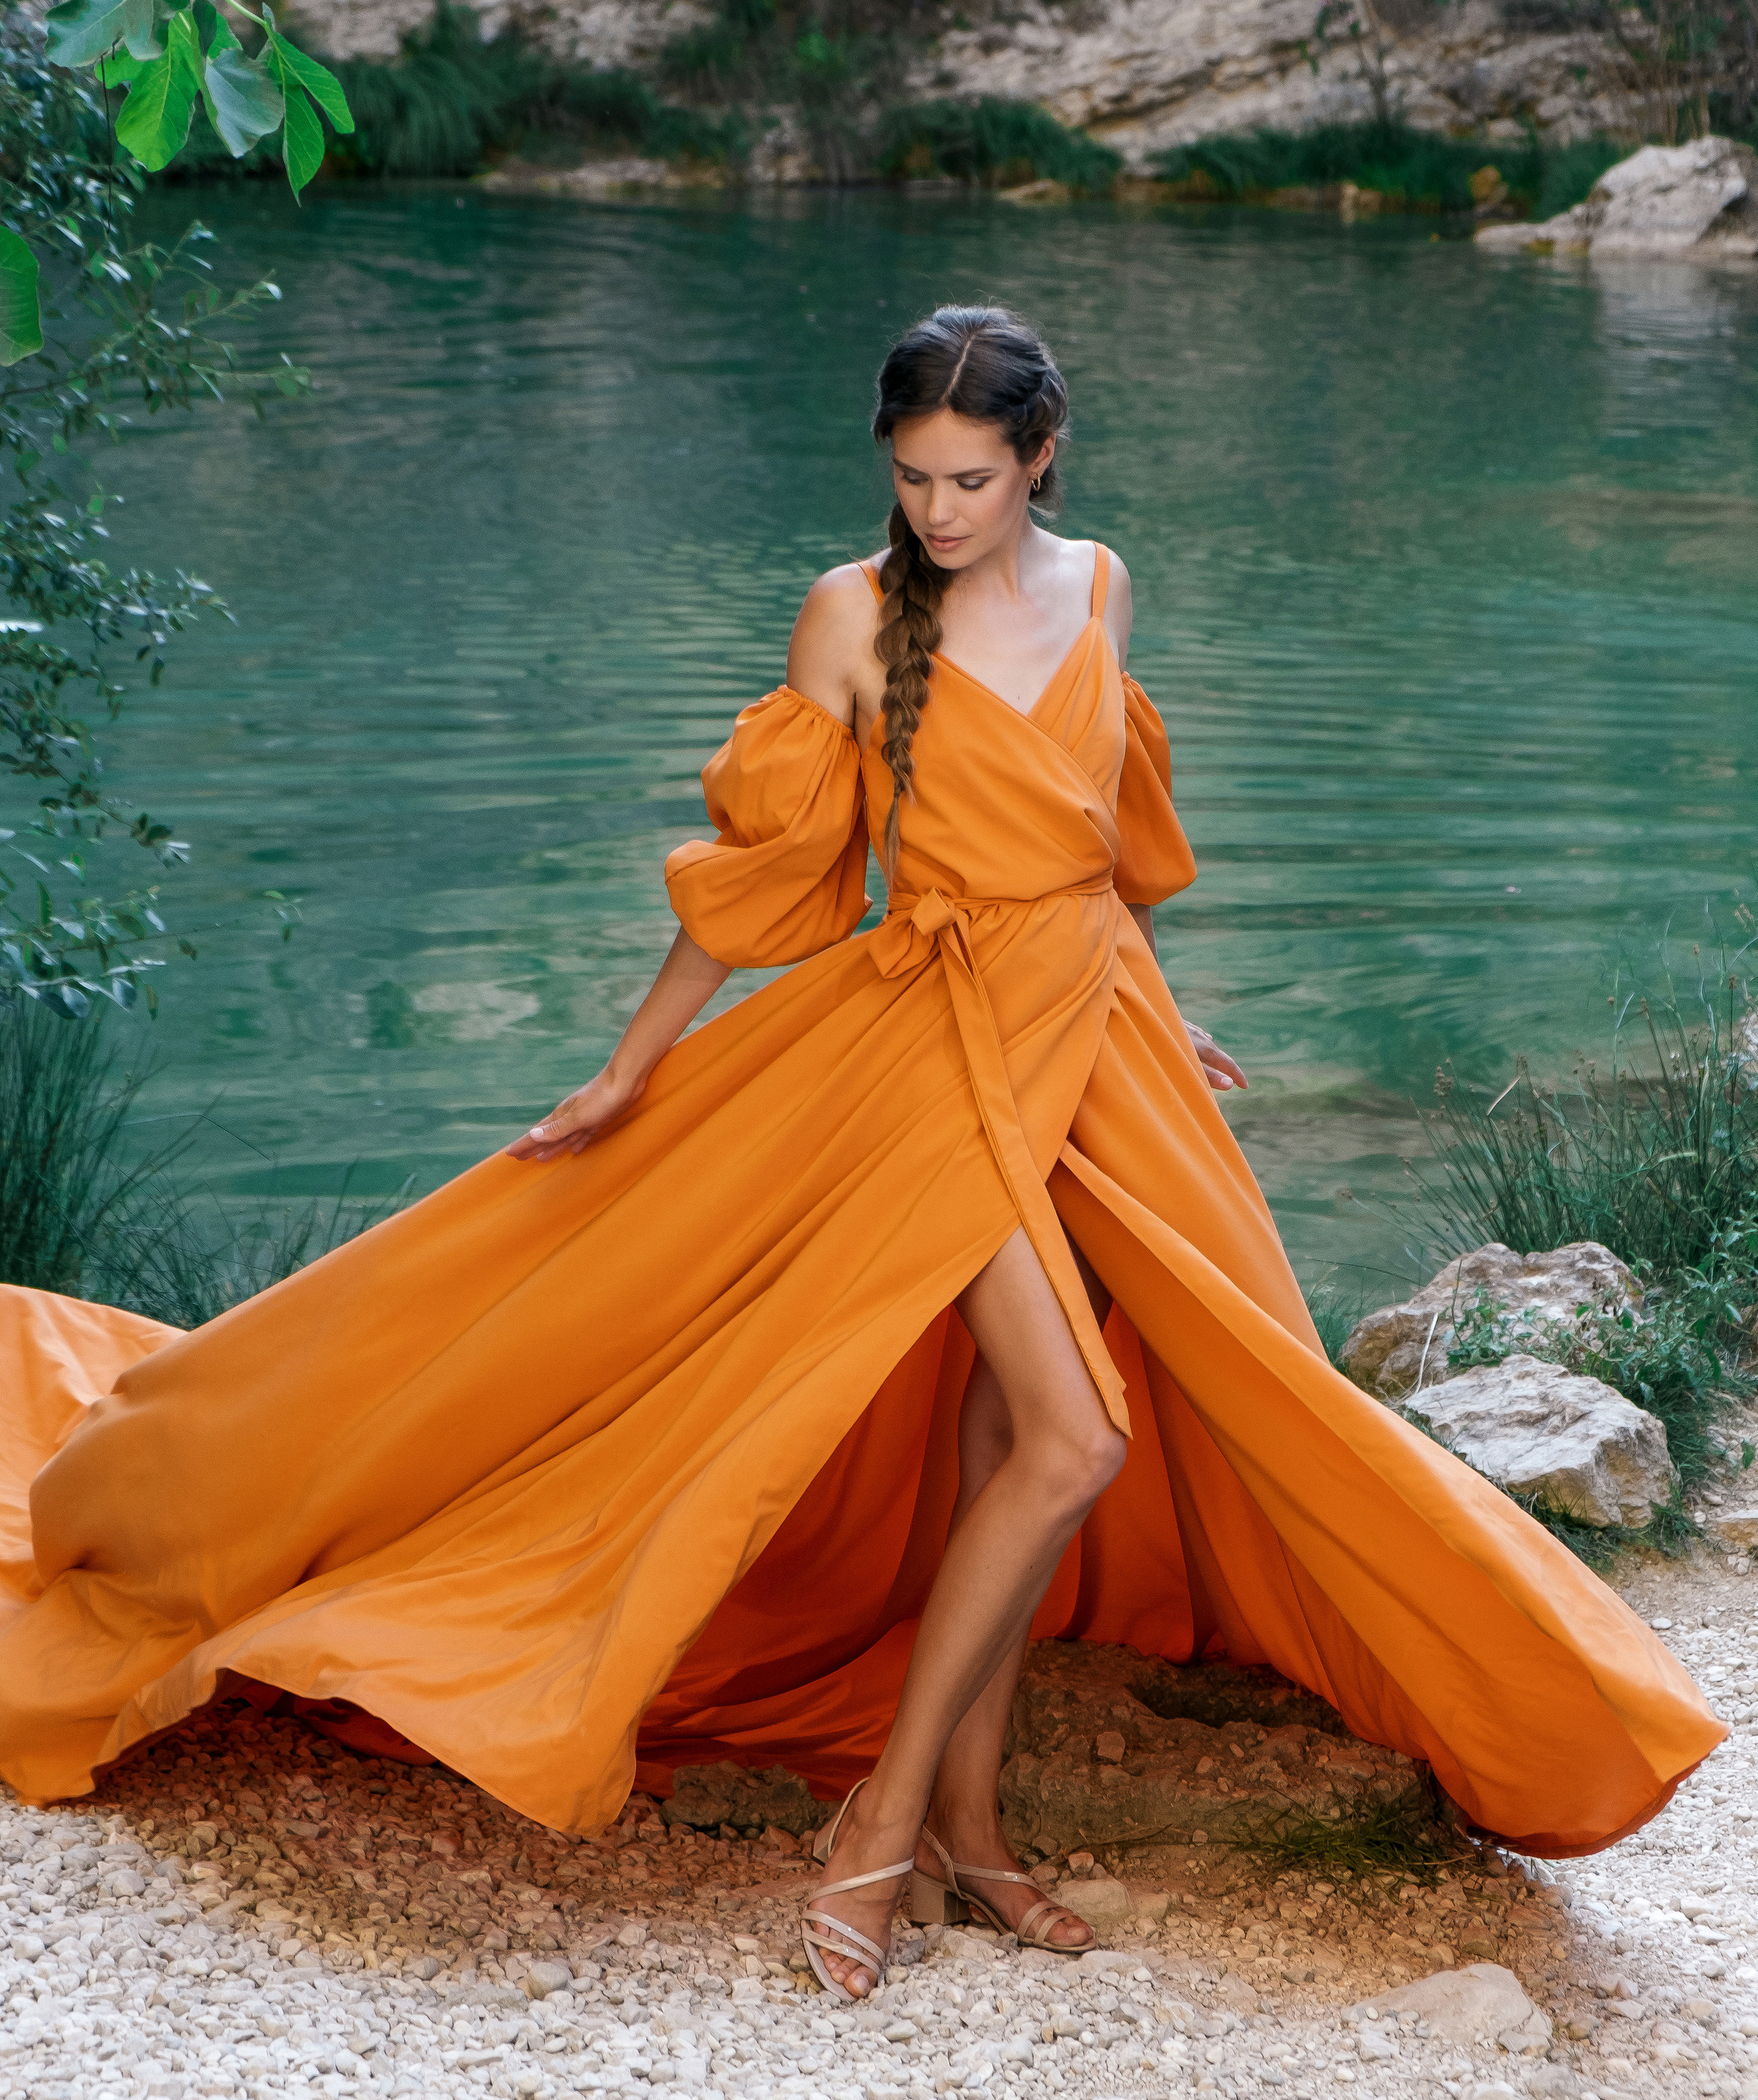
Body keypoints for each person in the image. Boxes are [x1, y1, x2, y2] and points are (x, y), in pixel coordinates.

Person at [0, 305, 1720, 2007]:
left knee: (1012, 1428)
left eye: (972, 477)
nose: (938, 511)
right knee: (1073, 1431)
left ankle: (968, 1833)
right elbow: (762, 885)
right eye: (912, 477)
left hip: (1092, 1041)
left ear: (1041, 459)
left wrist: (1148, 998)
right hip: (930, 1050)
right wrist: (625, 1067)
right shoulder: (848, 615)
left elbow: (1098, 848)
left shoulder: (1100, 584)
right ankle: (879, 1827)